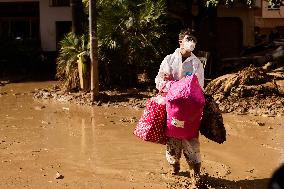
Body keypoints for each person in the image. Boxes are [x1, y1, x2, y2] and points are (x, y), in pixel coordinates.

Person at [155, 28, 204, 186]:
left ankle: (195, 173)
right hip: (173, 106)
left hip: (190, 108)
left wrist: (176, 84)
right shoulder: (169, 60)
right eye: (188, 39)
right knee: (173, 138)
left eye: (194, 40)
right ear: (180, 41)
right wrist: (175, 85)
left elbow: (199, 87)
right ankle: (174, 167)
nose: (191, 42)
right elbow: (159, 82)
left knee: (191, 139)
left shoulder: (197, 63)